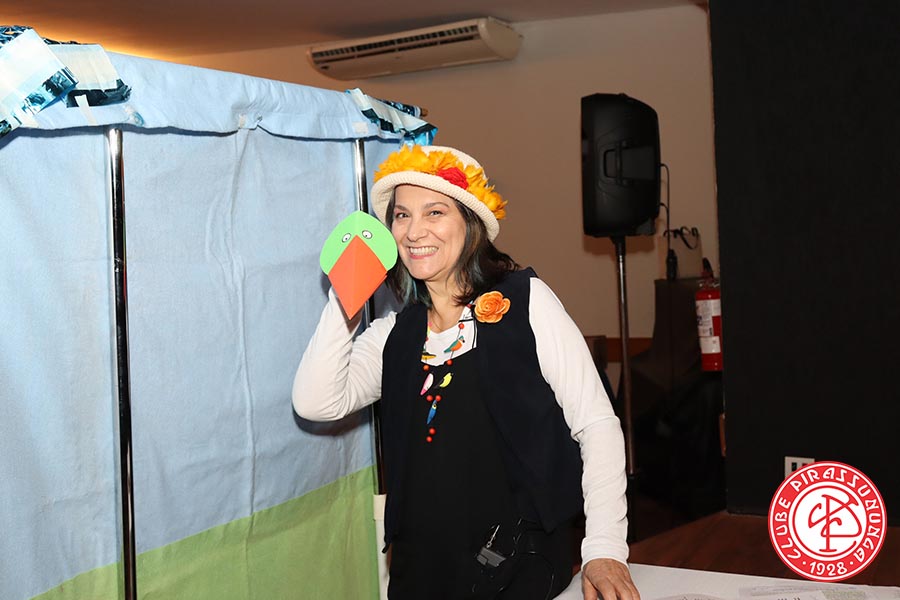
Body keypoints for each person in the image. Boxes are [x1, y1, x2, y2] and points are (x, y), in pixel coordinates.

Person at [293, 145, 639, 600]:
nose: (414, 230)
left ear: (470, 224)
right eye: (401, 216)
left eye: (434, 212)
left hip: (518, 567)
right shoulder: (395, 333)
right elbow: (316, 402)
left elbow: (596, 424)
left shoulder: (527, 302)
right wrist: (345, 299)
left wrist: (605, 546)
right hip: (421, 575)